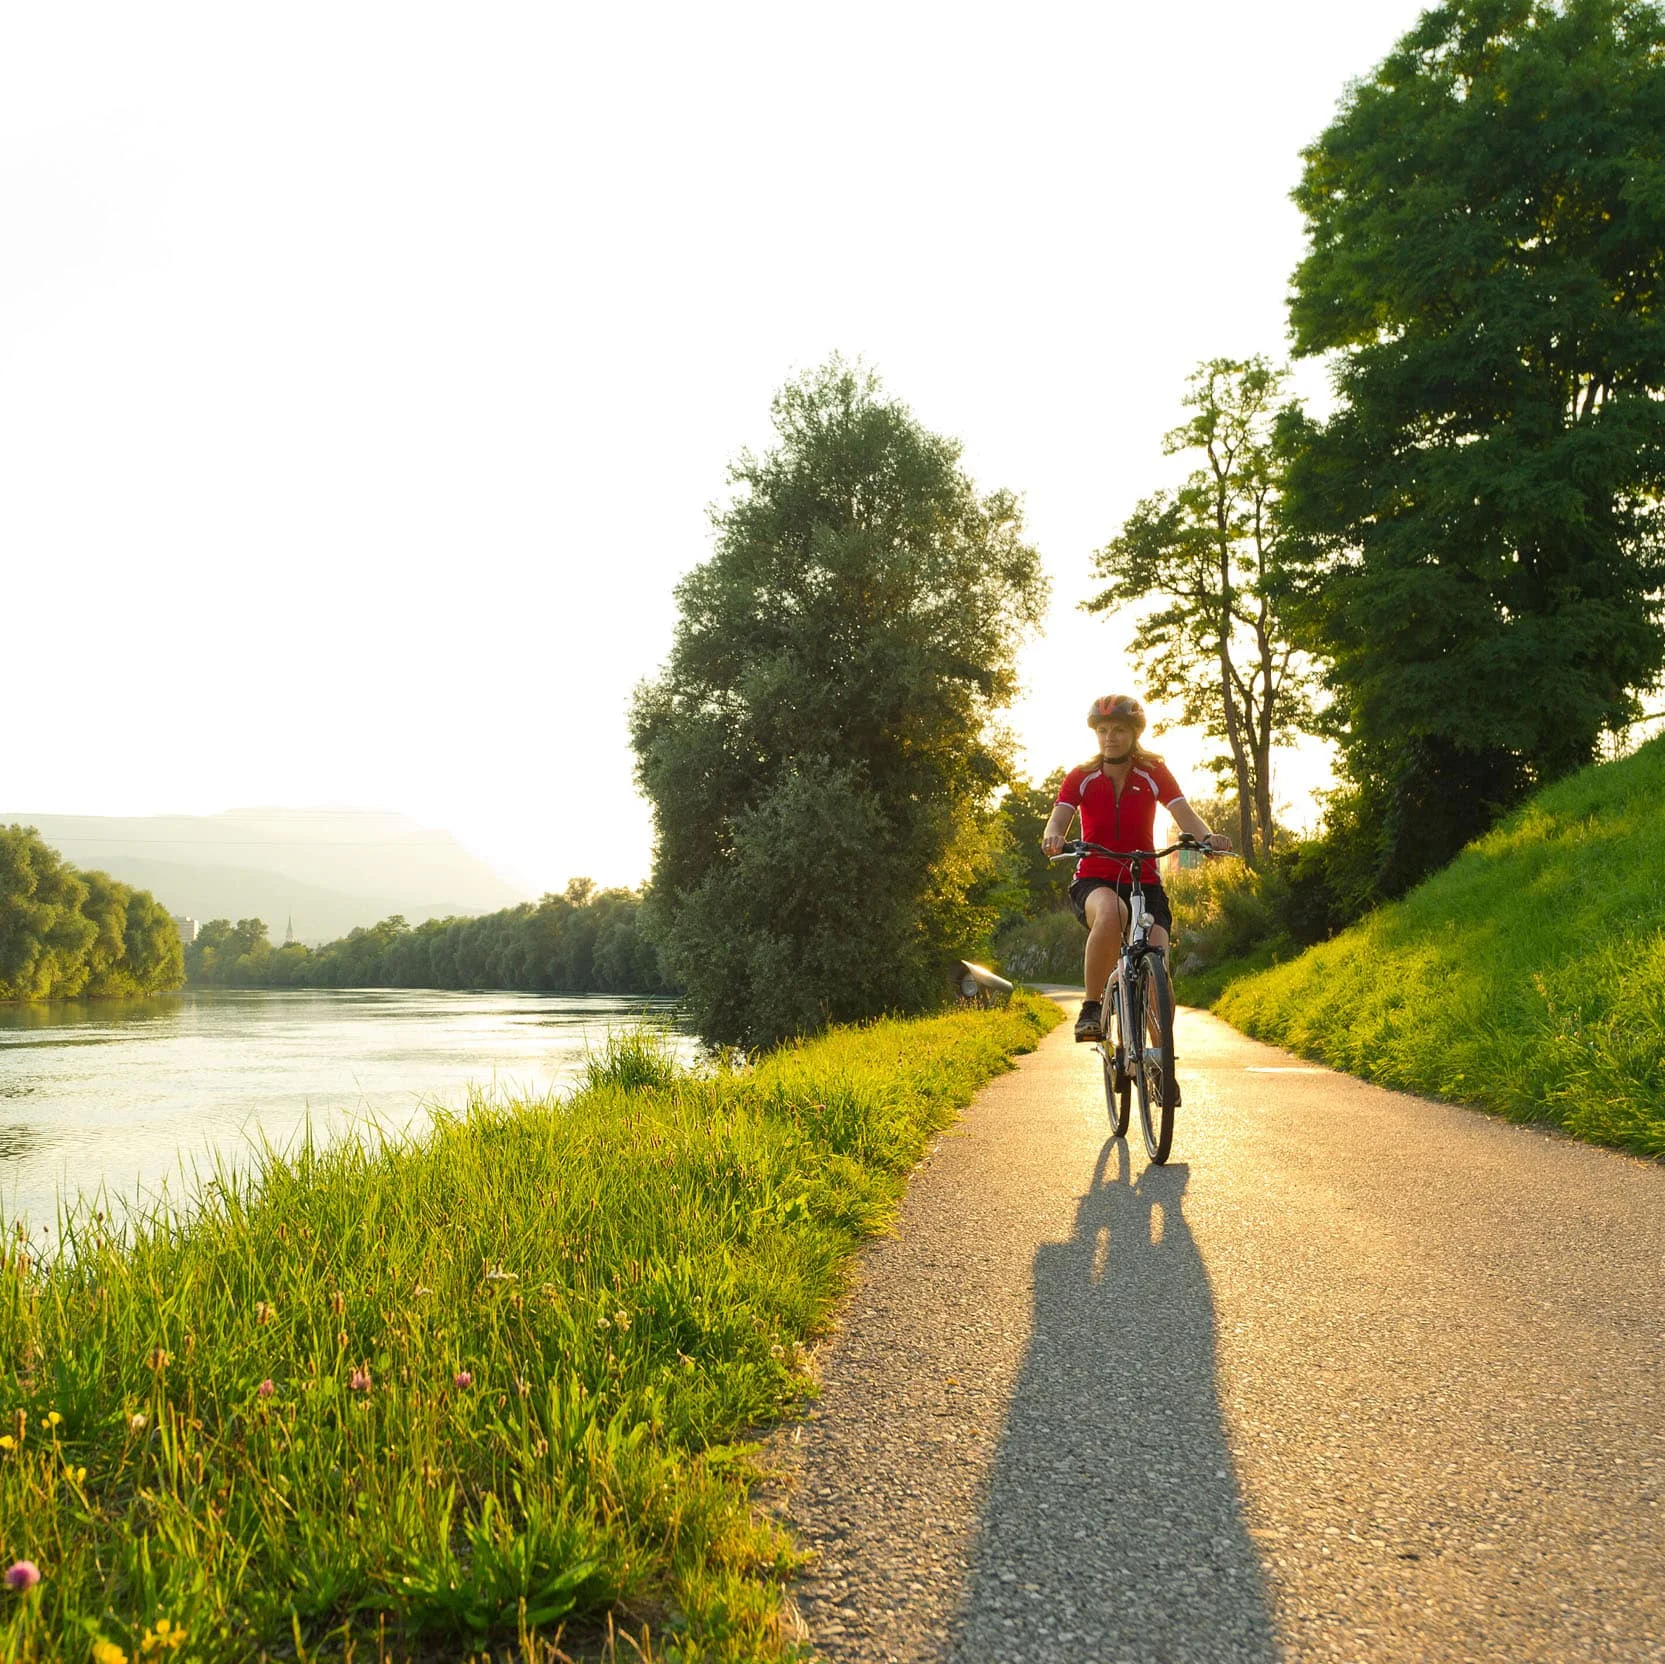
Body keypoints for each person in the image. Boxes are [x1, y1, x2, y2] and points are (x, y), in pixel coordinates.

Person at [1040, 695, 1231, 1043]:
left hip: (1145, 881)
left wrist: (1208, 839)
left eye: (1118, 730)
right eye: (1102, 730)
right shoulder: (1081, 776)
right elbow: (1058, 820)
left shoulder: (1153, 772)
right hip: (1095, 878)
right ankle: (1092, 1008)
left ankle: (1160, 1062)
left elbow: (1183, 812)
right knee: (1113, 913)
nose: (1109, 737)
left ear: (1134, 734)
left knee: (1158, 959)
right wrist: (1054, 837)